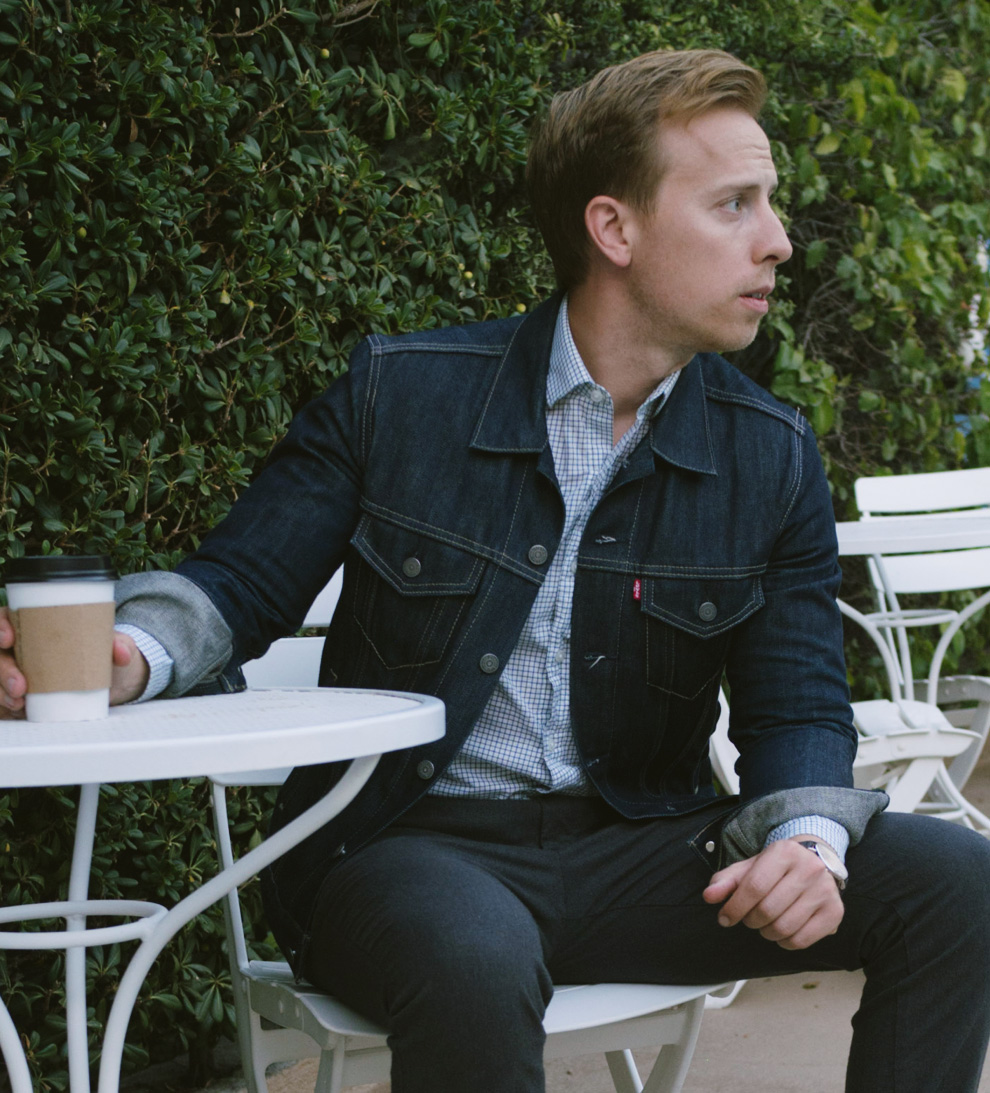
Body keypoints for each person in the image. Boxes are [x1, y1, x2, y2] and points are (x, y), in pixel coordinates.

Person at [3, 48, 990, 1092]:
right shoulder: (404, 395)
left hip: (638, 853)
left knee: (957, 882)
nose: (779, 243)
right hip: (406, 848)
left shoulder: (770, 451)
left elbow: (798, 705)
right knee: (474, 951)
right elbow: (237, 586)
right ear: (614, 229)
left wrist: (806, 840)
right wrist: (127, 656)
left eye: (770, 204)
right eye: (735, 205)